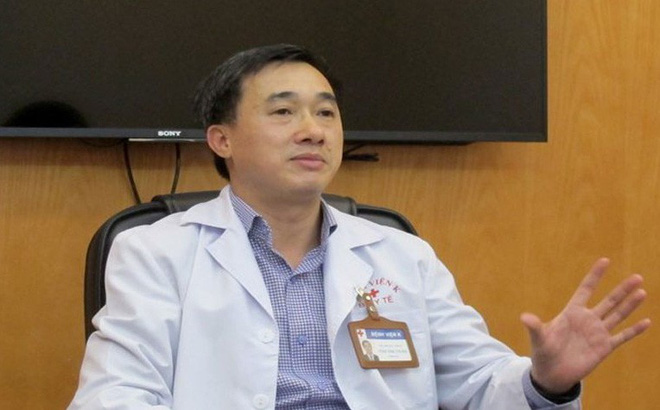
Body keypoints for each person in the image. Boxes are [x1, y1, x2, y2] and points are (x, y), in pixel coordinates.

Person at [69, 44, 650, 410]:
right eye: (283, 111)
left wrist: (546, 382)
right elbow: (114, 395)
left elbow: (480, 385)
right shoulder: (155, 251)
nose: (313, 130)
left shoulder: (402, 254)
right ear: (221, 140)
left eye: (326, 112)